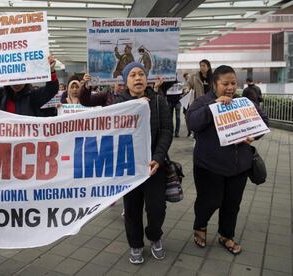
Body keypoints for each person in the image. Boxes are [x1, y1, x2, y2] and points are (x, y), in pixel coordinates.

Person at [186, 65, 269, 255]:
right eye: (225, 83)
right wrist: (213, 107)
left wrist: (254, 136)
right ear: (215, 84)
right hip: (208, 166)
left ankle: (226, 235)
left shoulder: (243, 102)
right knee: (209, 201)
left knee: (232, 204)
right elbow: (192, 123)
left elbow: (263, 121)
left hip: (238, 166)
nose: (230, 87)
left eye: (233, 83)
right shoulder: (202, 102)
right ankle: (200, 226)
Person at [114, 62, 173, 264]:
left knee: (157, 209)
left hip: (153, 167)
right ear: (125, 81)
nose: (138, 78)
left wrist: (157, 158)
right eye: (132, 75)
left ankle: (154, 236)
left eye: (141, 74)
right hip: (130, 168)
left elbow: (166, 131)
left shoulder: (158, 101)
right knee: (132, 210)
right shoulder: (118, 104)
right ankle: (136, 244)